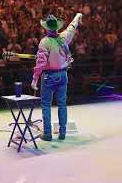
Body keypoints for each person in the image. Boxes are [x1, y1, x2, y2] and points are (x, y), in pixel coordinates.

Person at [31, 13, 83, 141]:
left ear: (46, 28)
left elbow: (41, 64)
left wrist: (35, 79)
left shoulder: (44, 42)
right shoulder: (64, 37)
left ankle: (48, 134)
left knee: (46, 105)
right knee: (62, 104)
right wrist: (77, 16)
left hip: (49, 76)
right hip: (63, 74)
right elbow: (72, 26)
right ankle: (62, 133)